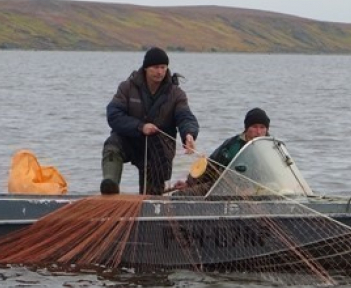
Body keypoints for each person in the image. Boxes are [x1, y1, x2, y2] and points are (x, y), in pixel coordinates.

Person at [101, 47, 199, 195]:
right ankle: (110, 184)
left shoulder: (176, 94)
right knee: (112, 144)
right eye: (155, 67)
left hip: (159, 149)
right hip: (130, 140)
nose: (159, 72)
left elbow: (185, 116)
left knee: (151, 196)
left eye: (163, 67)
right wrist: (140, 127)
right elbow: (114, 115)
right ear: (146, 68)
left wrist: (189, 134)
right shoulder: (127, 87)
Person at [173, 107, 271, 196]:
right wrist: (189, 183)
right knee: (180, 196)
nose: (258, 132)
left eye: (262, 127)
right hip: (225, 188)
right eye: (254, 127)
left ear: (267, 129)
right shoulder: (232, 144)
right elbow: (211, 165)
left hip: (260, 191)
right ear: (246, 128)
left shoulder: (272, 148)